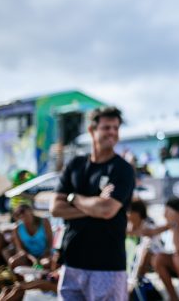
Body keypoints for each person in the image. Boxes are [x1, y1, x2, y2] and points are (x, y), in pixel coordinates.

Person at [50, 106, 135, 300]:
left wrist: (73, 198)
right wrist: (94, 206)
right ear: (92, 130)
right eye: (106, 127)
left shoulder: (122, 169)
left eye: (116, 128)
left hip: (107, 267)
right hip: (72, 264)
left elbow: (106, 210)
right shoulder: (75, 165)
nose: (112, 132)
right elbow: (55, 209)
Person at [7, 203, 54, 270]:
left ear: (31, 211)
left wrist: (45, 254)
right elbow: (20, 249)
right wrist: (32, 258)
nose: (23, 216)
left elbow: (50, 242)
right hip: (28, 257)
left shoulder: (44, 221)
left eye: (24, 213)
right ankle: (20, 280)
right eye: (20, 215)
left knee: (47, 263)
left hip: (46, 254)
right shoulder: (17, 228)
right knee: (13, 262)